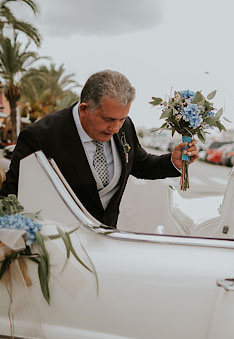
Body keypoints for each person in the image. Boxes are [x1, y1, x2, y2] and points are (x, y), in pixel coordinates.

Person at [0, 70, 198, 227]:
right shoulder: (40, 137)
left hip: (107, 239)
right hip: (58, 247)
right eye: (109, 120)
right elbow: (12, 197)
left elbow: (141, 163)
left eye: (122, 119)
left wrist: (173, 162)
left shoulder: (125, 127)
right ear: (84, 109)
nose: (116, 128)